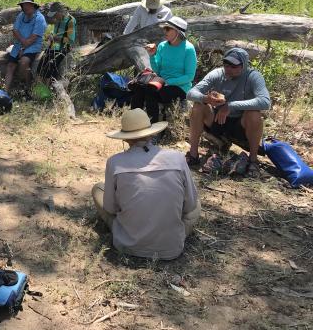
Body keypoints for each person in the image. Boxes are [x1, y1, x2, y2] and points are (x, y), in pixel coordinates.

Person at [91, 108, 201, 260]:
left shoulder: (115, 162)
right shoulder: (177, 158)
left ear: (126, 139)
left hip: (126, 245)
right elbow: (189, 205)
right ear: (152, 133)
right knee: (196, 204)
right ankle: (169, 234)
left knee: (97, 188)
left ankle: (125, 231)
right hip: (171, 249)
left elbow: (110, 208)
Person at [185, 48, 271, 177]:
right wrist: (205, 98)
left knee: (255, 115)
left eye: (234, 66)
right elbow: (191, 93)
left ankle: (253, 160)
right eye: (226, 64)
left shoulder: (253, 76)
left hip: (240, 124)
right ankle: (193, 154)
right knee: (198, 106)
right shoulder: (217, 74)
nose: (228, 68)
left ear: (244, 65)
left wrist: (230, 106)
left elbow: (265, 102)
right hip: (217, 120)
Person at [130, 17, 197, 123]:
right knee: (139, 88)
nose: (164, 31)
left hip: (179, 86)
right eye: (164, 28)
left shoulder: (188, 49)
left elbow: (189, 76)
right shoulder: (162, 46)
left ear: (178, 31)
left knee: (151, 93)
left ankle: (154, 130)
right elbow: (157, 70)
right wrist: (152, 56)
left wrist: (168, 82)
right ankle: (133, 123)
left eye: (168, 28)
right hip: (161, 83)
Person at [5, 0, 47, 92]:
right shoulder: (21, 15)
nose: (26, 7)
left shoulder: (40, 18)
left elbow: (33, 38)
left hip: (33, 46)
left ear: (33, 6)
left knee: (24, 62)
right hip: (18, 45)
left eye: (28, 5)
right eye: (24, 5)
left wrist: (23, 49)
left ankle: (28, 88)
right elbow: (15, 30)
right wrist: (21, 46)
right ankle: (5, 91)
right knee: (10, 65)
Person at [36, 1, 77, 81]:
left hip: (63, 49)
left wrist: (57, 38)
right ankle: (38, 90)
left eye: (55, 14)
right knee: (39, 69)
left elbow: (71, 40)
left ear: (60, 12)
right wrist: (50, 36)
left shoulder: (70, 21)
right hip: (52, 47)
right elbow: (55, 32)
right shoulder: (57, 20)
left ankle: (46, 89)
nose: (54, 17)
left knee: (49, 69)